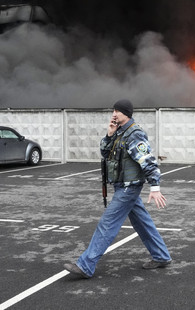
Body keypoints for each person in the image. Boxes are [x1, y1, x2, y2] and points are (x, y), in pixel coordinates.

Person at [64, 99, 171, 279]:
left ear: (126, 113)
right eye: (113, 110)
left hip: (129, 188)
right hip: (122, 186)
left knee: (108, 223)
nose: (114, 114)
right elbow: (105, 153)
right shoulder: (119, 133)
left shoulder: (135, 134)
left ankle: (86, 265)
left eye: (117, 111)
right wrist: (109, 134)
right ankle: (161, 256)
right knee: (142, 223)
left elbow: (149, 162)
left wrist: (155, 187)